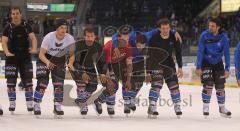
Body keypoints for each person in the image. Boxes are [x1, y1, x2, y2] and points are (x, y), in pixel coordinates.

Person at [33, 18, 75, 118]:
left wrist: (71, 63)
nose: (64, 30)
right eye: (61, 28)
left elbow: (72, 55)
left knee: (59, 84)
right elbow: (41, 54)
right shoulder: (48, 37)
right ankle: (36, 104)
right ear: (56, 28)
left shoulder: (70, 38)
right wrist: (47, 62)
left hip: (59, 60)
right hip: (45, 59)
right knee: (43, 82)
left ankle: (57, 106)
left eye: (65, 28)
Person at [1, 6, 37, 114]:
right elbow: (3, 41)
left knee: (28, 81)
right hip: (11, 57)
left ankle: (30, 102)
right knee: (10, 82)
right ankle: (12, 102)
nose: (15, 15)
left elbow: (33, 38)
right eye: (13, 14)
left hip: (25, 56)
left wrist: (34, 48)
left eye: (17, 13)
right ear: (11, 15)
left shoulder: (27, 26)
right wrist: (6, 52)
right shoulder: (7, 28)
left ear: (20, 14)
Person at [68, 26, 109, 117]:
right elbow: (75, 61)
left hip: (90, 67)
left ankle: (80, 100)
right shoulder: (78, 45)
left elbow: (101, 62)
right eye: (88, 36)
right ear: (84, 36)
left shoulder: (98, 47)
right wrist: (82, 73)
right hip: (76, 66)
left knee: (93, 86)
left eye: (91, 36)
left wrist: (102, 73)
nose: (90, 38)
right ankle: (83, 104)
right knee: (82, 84)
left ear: (95, 37)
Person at [195, 17, 231, 118]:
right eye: (209, 25)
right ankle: (206, 106)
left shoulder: (223, 37)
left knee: (220, 86)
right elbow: (200, 51)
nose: (210, 27)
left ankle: (222, 107)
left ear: (218, 27)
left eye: (212, 26)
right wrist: (198, 66)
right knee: (208, 84)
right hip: (206, 62)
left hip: (218, 63)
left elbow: (227, 54)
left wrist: (227, 69)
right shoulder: (204, 35)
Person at [147, 18, 183, 119]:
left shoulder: (173, 36)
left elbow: (178, 53)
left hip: (169, 64)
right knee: (157, 85)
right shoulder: (154, 38)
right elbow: (149, 55)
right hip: (156, 64)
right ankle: (152, 106)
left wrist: (180, 67)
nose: (165, 30)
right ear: (159, 29)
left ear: (170, 28)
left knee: (174, 85)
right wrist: (148, 72)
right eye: (163, 28)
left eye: (167, 28)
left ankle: (177, 106)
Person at [93, 28, 133, 117]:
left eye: (127, 39)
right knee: (113, 86)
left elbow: (129, 64)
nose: (126, 41)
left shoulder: (128, 46)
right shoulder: (109, 47)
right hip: (104, 65)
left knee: (124, 82)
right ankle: (101, 102)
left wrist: (129, 80)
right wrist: (108, 79)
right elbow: (105, 65)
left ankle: (99, 101)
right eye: (124, 39)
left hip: (117, 64)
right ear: (118, 38)